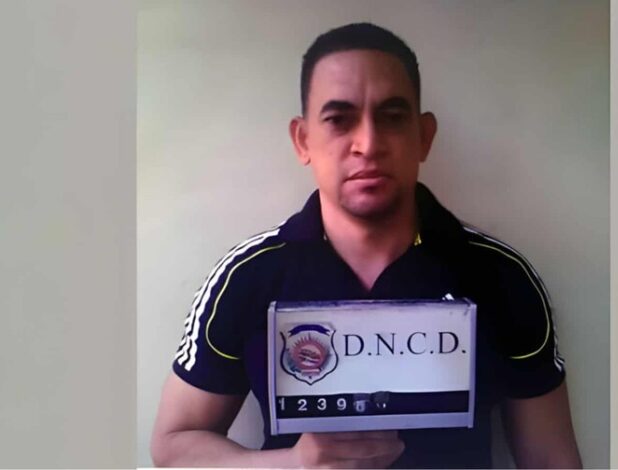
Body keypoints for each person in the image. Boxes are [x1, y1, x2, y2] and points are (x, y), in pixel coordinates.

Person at [150, 22, 582, 469]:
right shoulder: (247, 277)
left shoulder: (502, 276)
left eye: (392, 117)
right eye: (339, 120)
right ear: (303, 140)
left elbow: (551, 458)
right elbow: (174, 446)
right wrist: (294, 464)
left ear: (424, 136)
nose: (368, 144)